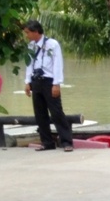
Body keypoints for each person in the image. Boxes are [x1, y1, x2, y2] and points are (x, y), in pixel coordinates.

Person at [23, 19, 75, 152]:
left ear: (36, 31)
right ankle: (47, 142)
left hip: (49, 81)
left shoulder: (52, 44)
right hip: (36, 81)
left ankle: (66, 141)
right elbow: (29, 64)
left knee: (56, 112)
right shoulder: (31, 46)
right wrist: (27, 82)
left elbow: (58, 64)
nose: (26, 35)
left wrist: (56, 83)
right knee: (40, 114)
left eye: (28, 32)